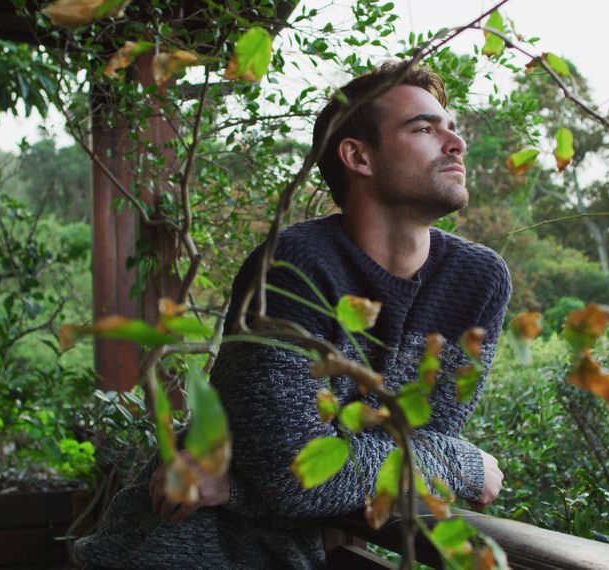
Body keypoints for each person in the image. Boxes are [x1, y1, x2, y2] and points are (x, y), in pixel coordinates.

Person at [74, 61, 511, 569]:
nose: (455, 142)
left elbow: (418, 440)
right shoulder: (295, 268)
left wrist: (242, 485)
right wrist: (461, 464)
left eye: (450, 127)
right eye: (423, 129)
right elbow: (303, 476)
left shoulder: (476, 281)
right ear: (358, 156)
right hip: (186, 546)